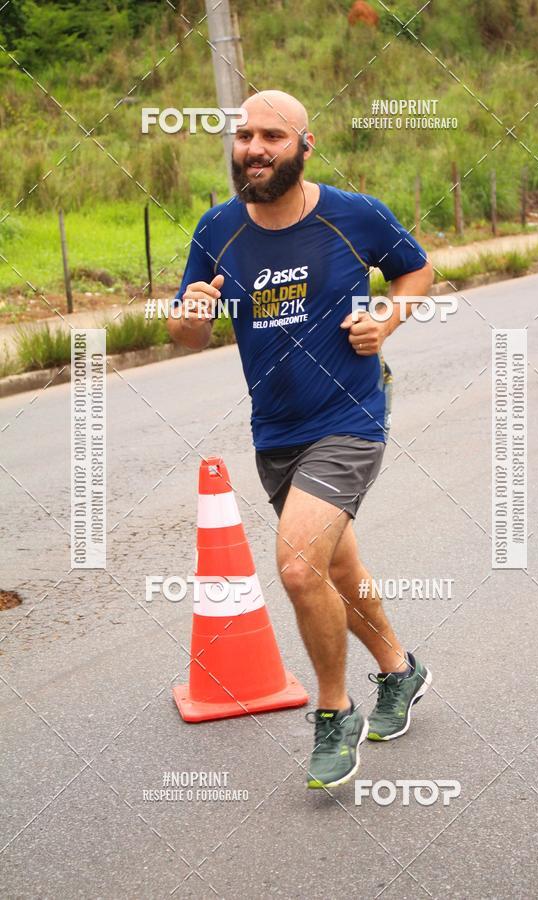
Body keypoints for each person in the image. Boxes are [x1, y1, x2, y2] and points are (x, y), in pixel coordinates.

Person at [168, 90, 434, 790]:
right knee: (336, 572)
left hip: (349, 419)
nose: (254, 148)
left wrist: (388, 317)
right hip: (275, 430)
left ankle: (334, 712)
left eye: (272, 136)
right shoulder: (218, 227)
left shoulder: (355, 215)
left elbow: (416, 269)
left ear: (304, 146)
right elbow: (184, 327)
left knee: (295, 567)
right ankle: (401, 671)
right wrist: (192, 314)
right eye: (245, 135)